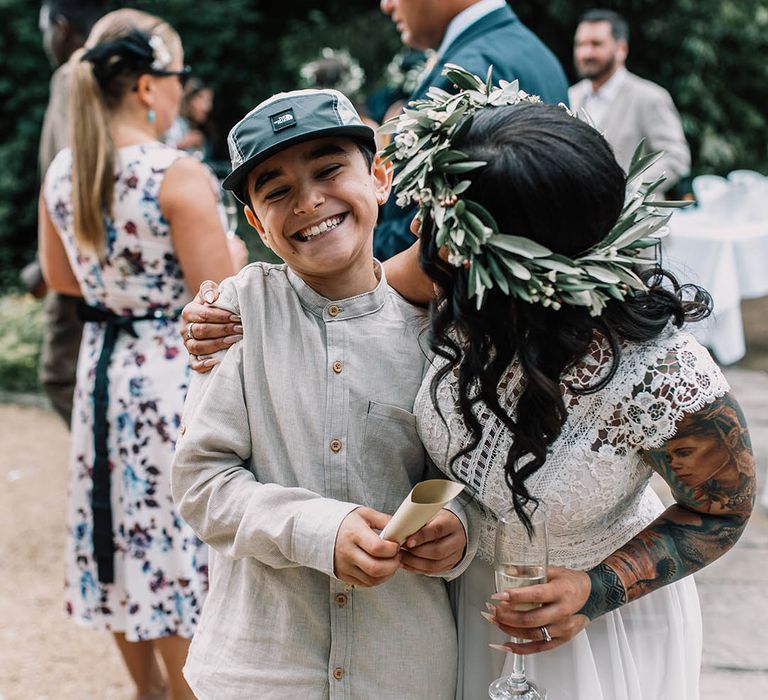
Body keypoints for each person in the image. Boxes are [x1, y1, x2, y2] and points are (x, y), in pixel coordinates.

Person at [182, 67, 756, 700]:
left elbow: (720, 507)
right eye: (438, 221)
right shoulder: (441, 278)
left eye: (454, 231)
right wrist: (217, 314)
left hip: (595, 628)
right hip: (459, 622)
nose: (430, 243)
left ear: (540, 255)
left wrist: (599, 588)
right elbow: (352, 296)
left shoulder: (657, 372)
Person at [170, 88, 476, 699]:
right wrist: (316, 529)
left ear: (382, 177)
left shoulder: (439, 330)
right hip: (261, 671)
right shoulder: (239, 312)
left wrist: (457, 528)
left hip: (403, 668)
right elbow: (201, 483)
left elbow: (471, 473)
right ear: (256, 223)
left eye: (330, 169)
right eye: (276, 191)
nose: (309, 201)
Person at [38, 9, 242, 699]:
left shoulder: (68, 170)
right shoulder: (176, 174)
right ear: (150, 88)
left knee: (119, 529)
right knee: (175, 537)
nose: (183, 91)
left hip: (103, 369)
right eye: (177, 79)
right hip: (169, 370)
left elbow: (63, 282)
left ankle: (148, 689)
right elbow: (218, 295)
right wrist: (239, 248)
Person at [375, 0, 570, 259]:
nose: (386, 5)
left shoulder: (468, 72)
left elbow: (437, 229)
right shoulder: (534, 50)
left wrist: (350, 246)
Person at [28, 0, 107, 426]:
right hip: (124, 241)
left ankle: (101, 455)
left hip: (78, 242)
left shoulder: (71, 76)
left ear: (61, 28)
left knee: (61, 374)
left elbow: (68, 167)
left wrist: (48, 257)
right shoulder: (121, 74)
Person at [569, 9, 691, 195]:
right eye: (580, 44)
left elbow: (676, 158)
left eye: (596, 44)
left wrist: (628, 190)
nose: (586, 53)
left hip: (639, 221)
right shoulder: (571, 96)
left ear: (621, 49)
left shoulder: (650, 97)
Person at [163, 77, 217, 160]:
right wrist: (182, 144)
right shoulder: (173, 123)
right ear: (189, 100)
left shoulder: (202, 128)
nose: (208, 107)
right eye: (203, 100)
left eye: (209, 101)